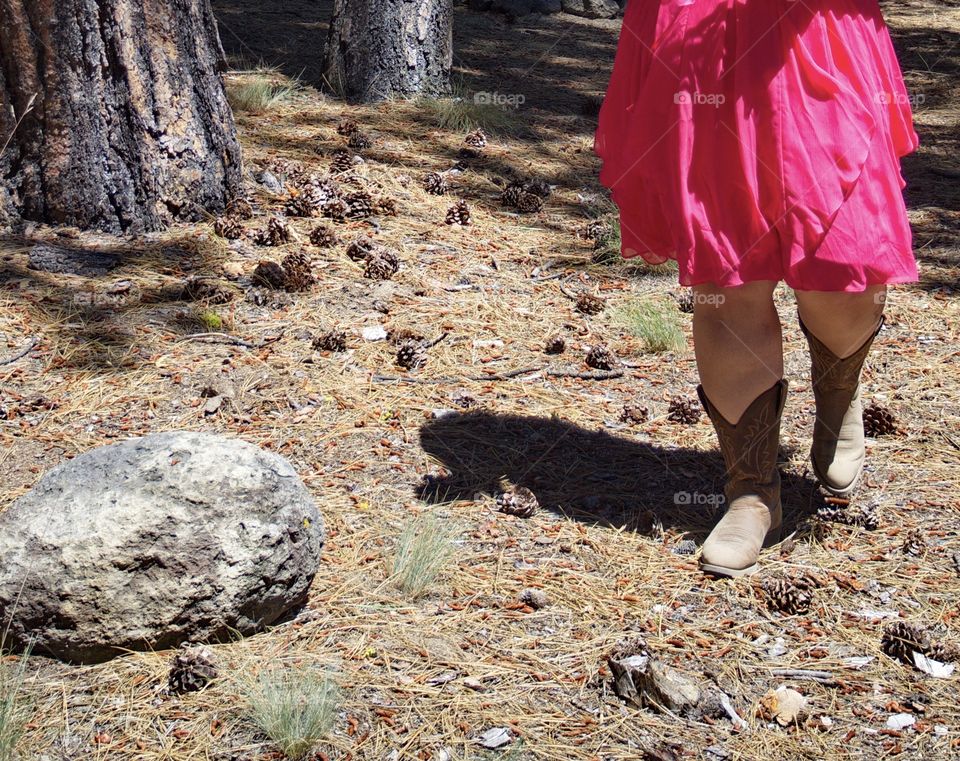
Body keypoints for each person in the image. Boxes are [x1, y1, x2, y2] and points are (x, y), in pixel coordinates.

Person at [594, 0, 918, 577]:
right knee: (727, 275)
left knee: (844, 262)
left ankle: (838, 393)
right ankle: (751, 491)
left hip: (819, 30)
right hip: (702, 35)